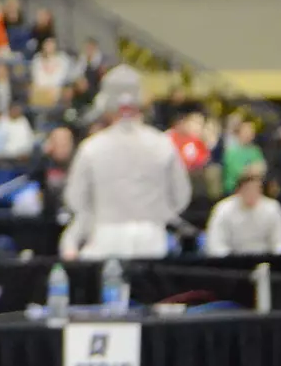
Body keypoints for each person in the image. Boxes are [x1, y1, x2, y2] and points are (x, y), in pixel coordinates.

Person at [60, 66, 191, 261]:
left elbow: (75, 200)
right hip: (152, 239)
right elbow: (181, 197)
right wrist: (156, 215)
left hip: (106, 239)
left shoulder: (92, 147)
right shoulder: (162, 144)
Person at [204, 164, 281, 257]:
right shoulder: (223, 209)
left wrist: (275, 260)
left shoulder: (272, 208)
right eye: (247, 189)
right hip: (232, 265)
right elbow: (215, 243)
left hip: (265, 263)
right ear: (238, 190)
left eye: (255, 188)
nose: (251, 193)